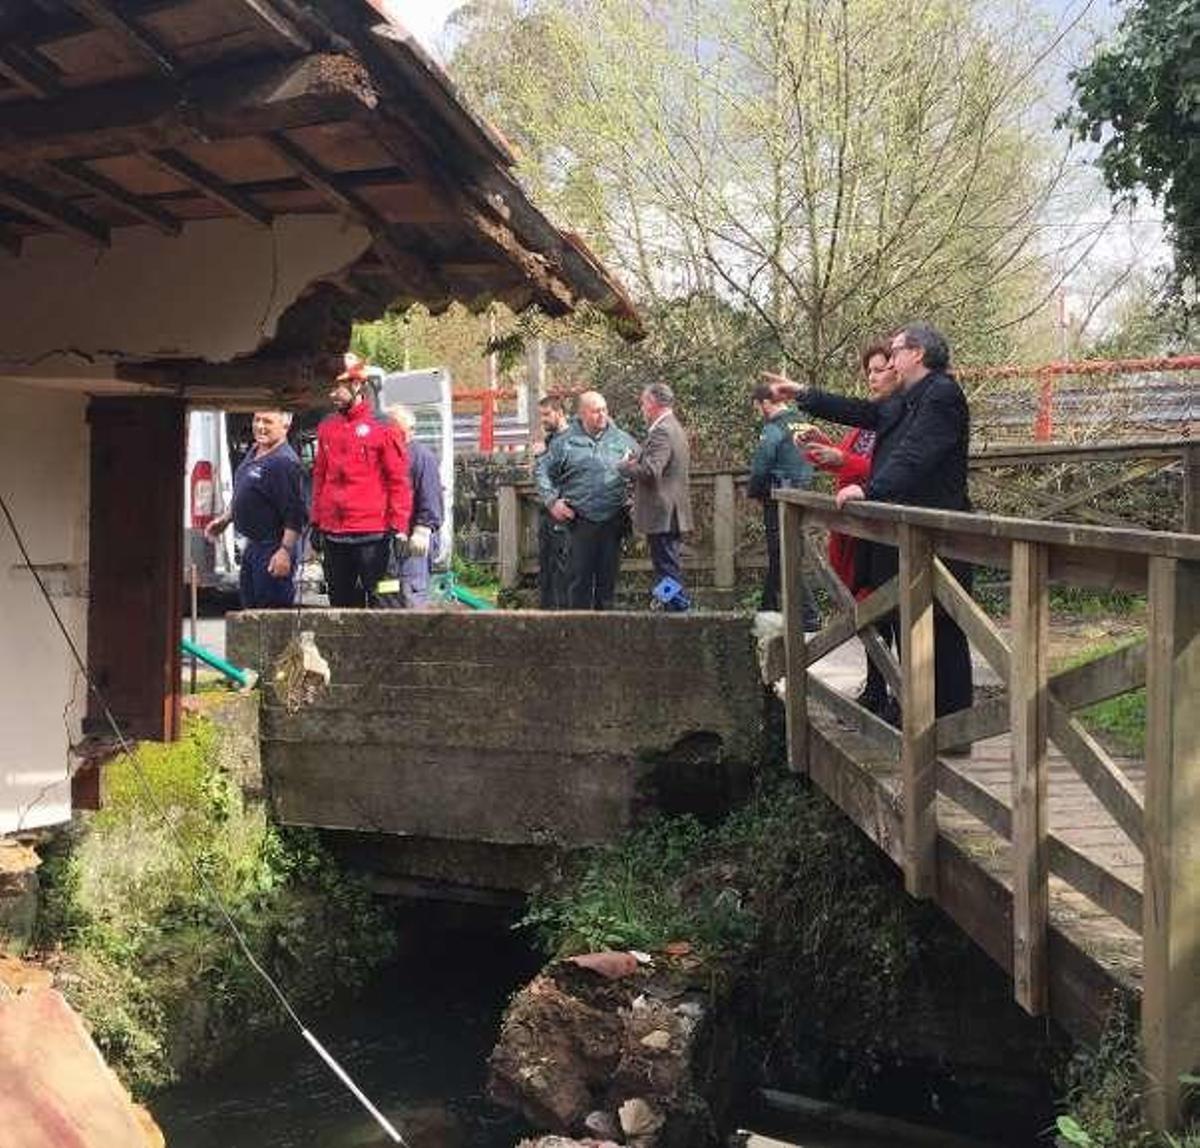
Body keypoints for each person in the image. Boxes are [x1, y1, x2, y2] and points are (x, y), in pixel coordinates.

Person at [765, 321, 974, 722]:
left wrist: (870, 489)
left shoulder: (942, 395)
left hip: (937, 531)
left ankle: (950, 725)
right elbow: (862, 411)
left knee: (941, 626)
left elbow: (916, 454)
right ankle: (919, 714)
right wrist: (806, 395)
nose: (891, 361)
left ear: (918, 354)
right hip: (909, 530)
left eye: (896, 352)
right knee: (911, 621)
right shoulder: (912, 396)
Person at [799, 341, 903, 717]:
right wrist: (823, 448)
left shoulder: (901, 416)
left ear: (899, 369)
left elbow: (886, 470)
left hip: (887, 529)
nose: (873, 378)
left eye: (880, 370)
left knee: (893, 612)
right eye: (869, 372)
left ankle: (900, 697)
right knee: (871, 613)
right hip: (857, 531)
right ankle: (877, 689)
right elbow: (851, 463)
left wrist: (844, 460)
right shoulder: (867, 420)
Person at [311, 353, 412, 608]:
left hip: (376, 537)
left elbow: (398, 481)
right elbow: (320, 478)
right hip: (335, 537)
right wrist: (316, 522)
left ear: (356, 385)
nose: (332, 395)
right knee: (342, 606)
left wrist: (399, 529)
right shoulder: (326, 428)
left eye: (337, 388)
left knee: (387, 600)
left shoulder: (385, 427)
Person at [535, 390, 636, 610]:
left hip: (613, 519)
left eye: (604, 410)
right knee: (578, 582)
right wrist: (552, 501)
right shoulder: (565, 442)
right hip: (579, 521)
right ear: (582, 414)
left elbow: (645, 468)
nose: (602, 415)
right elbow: (542, 471)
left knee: (607, 583)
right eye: (595, 411)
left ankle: (606, 634)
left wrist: (637, 498)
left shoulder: (621, 439)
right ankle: (577, 634)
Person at [205, 410, 306, 609]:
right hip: (253, 547)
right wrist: (225, 520)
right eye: (257, 420)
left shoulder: (285, 463)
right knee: (250, 613)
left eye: (267, 421)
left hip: (273, 548)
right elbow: (248, 494)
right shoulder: (255, 451)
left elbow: (295, 515)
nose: (260, 426)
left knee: (271, 617)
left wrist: (284, 551)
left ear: (286, 425)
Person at [748, 383, 821, 629]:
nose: (759, 413)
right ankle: (767, 607)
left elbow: (762, 465)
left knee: (783, 555)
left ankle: (810, 615)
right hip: (802, 494)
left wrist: (755, 491)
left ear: (765, 403)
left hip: (779, 496)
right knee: (785, 553)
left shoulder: (774, 428)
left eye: (758, 407)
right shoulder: (801, 421)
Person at [619, 382, 694, 610]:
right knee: (667, 564)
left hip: (663, 511)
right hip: (670, 510)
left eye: (643, 402)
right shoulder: (674, 427)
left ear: (652, 403)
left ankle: (679, 609)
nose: (642, 408)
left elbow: (652, 471)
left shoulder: (662, 430)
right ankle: (667, 603)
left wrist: (625, 466)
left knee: (666, 566)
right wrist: (639, 460)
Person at [386, 405, 444, 609]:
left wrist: (424, 528)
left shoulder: (421, 457)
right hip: (389, 543)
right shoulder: (387, 455)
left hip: (413, 544)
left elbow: (431, 497)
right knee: (387, 594)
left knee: (411, 595)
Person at [532, 394, 571, 609]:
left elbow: (555, 472)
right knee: (546, 568)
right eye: (541, 416)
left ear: (560, 413)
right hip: (546, 512)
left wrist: (541, 457)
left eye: (547, 415)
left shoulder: (569, 440)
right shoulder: (551, 440)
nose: (543, 420)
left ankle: (563, 619)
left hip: (562, 510)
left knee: (562, 570)